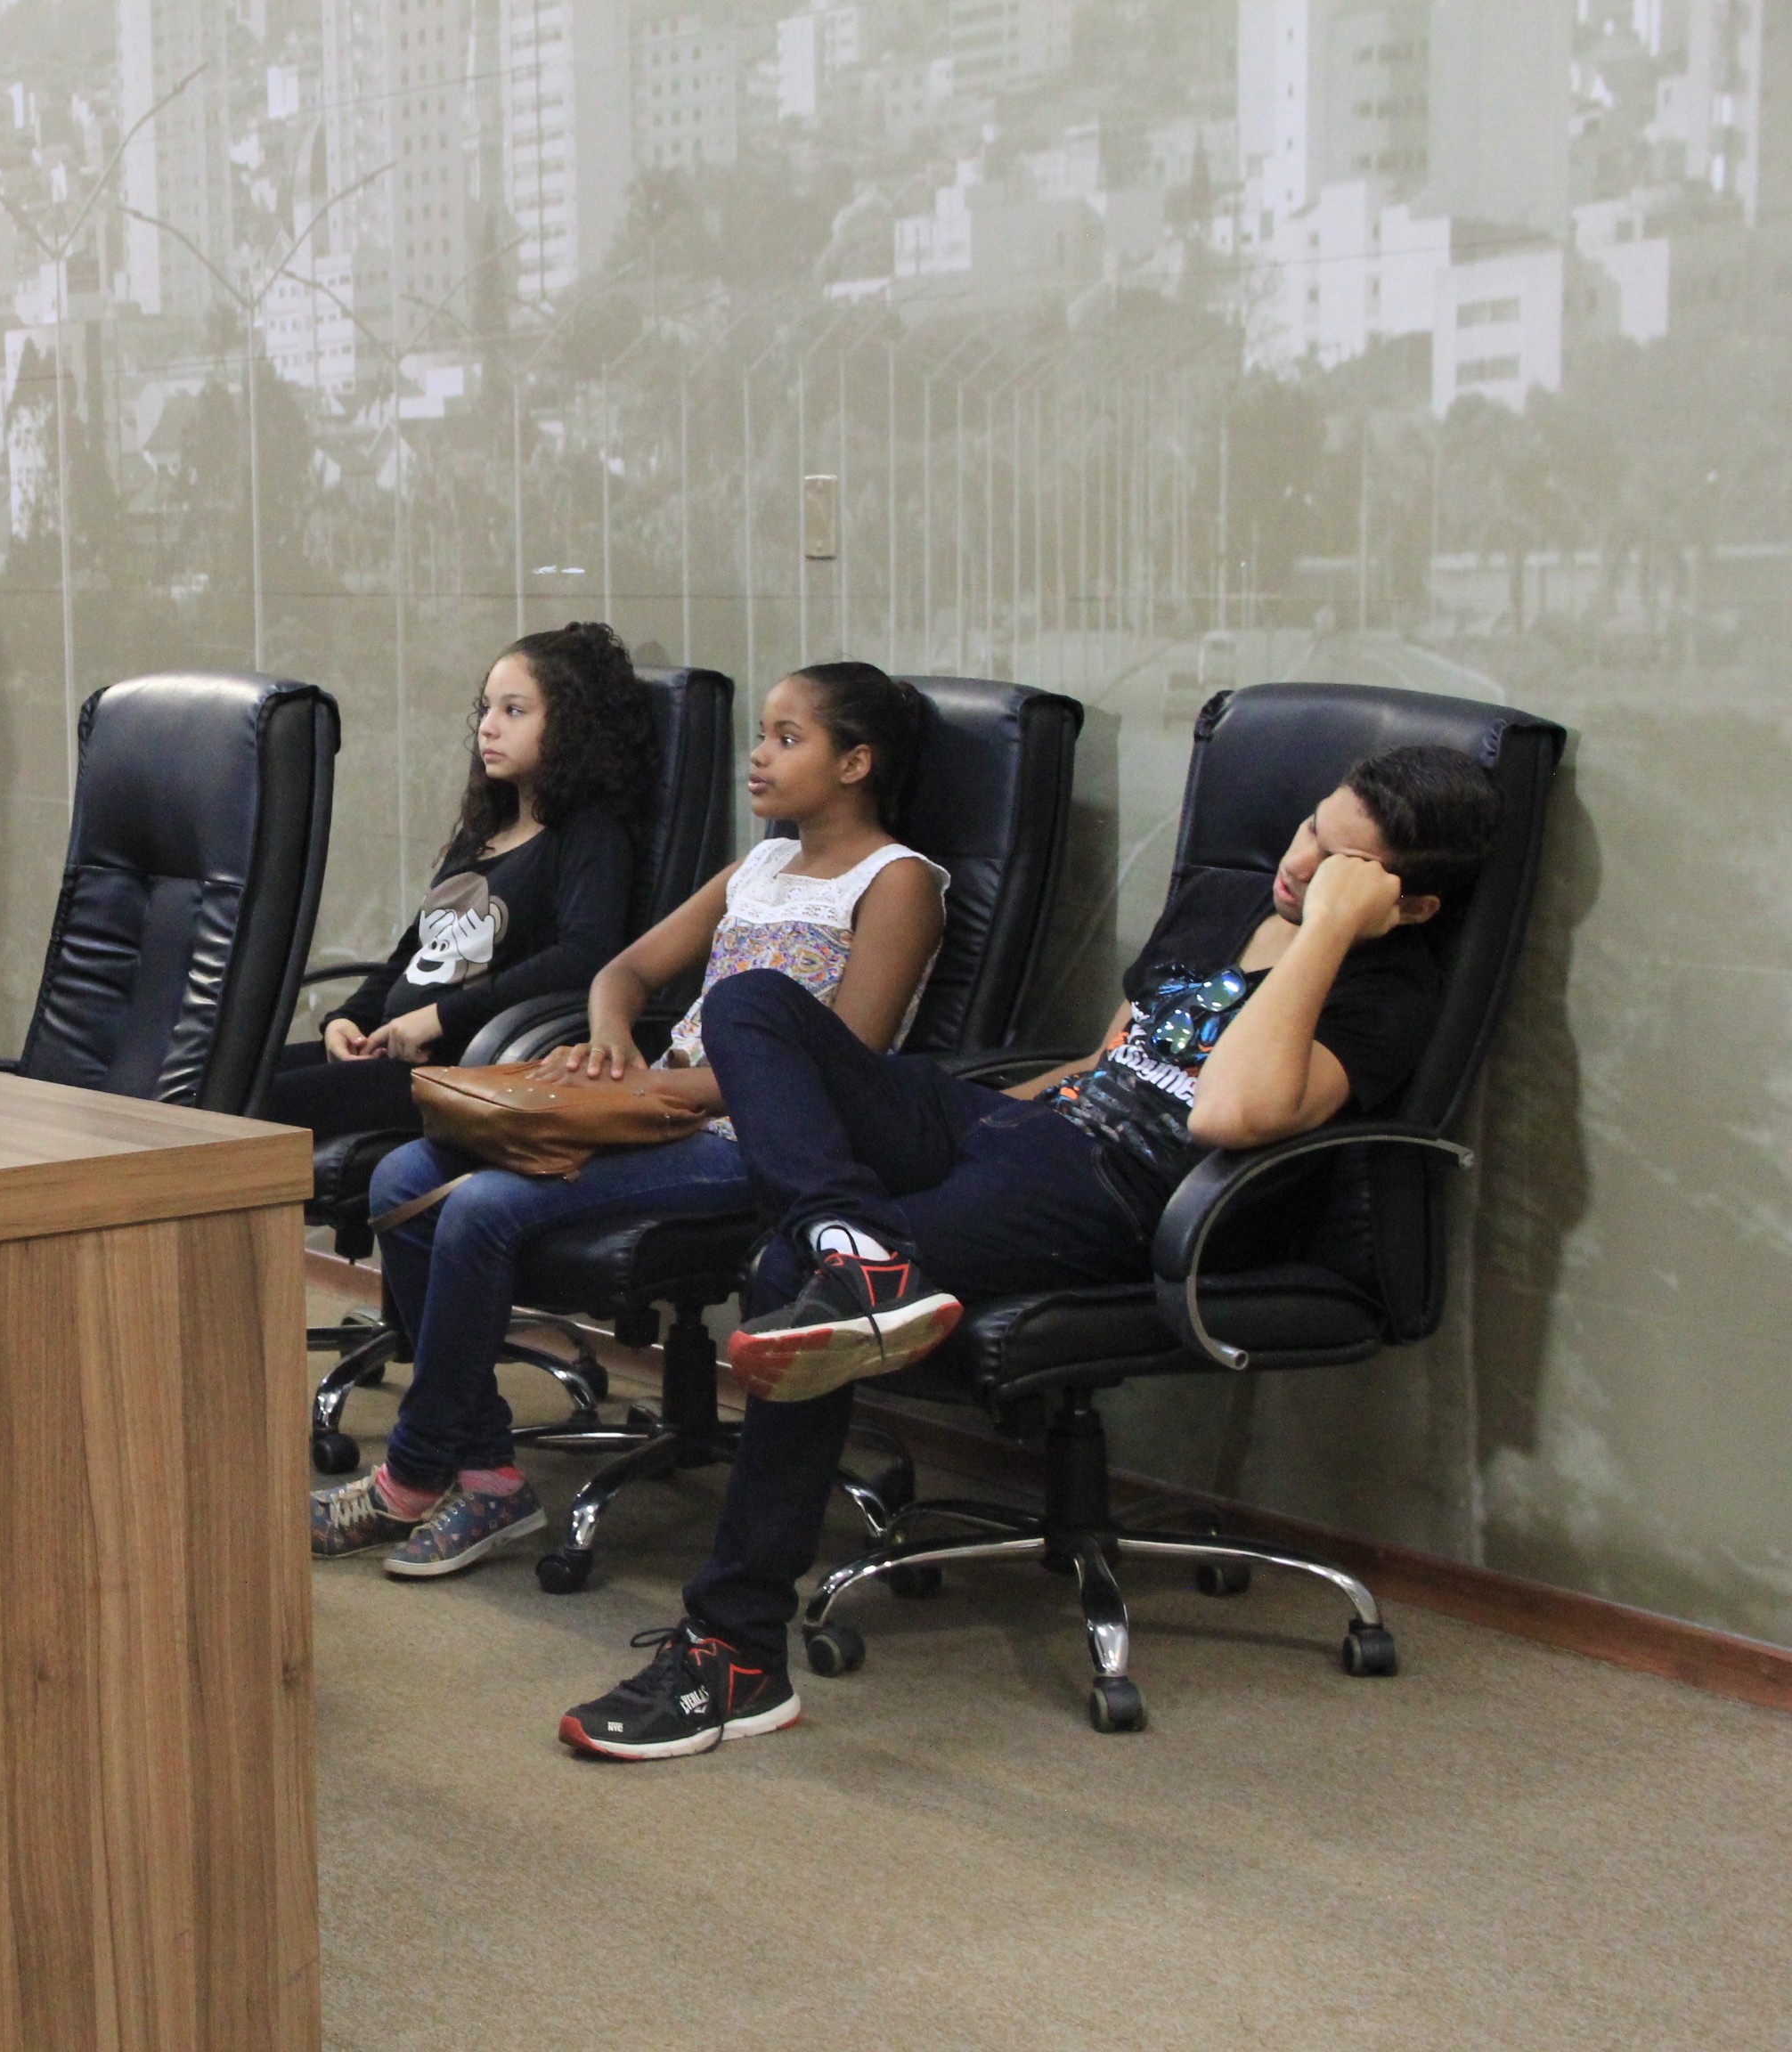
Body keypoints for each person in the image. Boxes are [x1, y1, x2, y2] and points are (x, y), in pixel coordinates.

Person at [555, 743, 1504, 1763]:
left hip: (1117, 1200)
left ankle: (735, 1656)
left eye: (1341, 865)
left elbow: (1230, 1111)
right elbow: (1105, 1062)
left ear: (1400, 906)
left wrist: (1323, 934)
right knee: (753, 1006)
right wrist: (973, 1122)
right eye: (1314, 827)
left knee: (791, 1281)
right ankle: (852, 1234)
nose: (1303, 863)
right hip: (1038, 1137)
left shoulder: (1383, 993)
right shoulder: (1224, 908)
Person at [310, 663, 948, 1578]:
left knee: (484, 1206)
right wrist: (614, 1050)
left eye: (787, 738)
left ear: (856, 763)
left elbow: (842, 1066)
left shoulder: (898, 882)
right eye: (760, 735)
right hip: (659, 1105)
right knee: (404, 1178)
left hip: (761, 1143)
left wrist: (670, 1097)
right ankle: (488, 1471)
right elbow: (622, 973)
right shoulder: (760, 864)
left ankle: (414, 1476)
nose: (759, 758)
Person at [263, 622, 654, 1139]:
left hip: (461, 1070)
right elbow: (411, 954)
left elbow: (584, 957)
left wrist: (440, 1018)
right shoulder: (485, 832)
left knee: (249, 1110)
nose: (488, 727)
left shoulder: (590, 834)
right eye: (486, 708)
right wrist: (346, 1019)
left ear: (574, 726)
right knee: (211, 1091)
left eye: (514, 710)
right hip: (391, 1052)